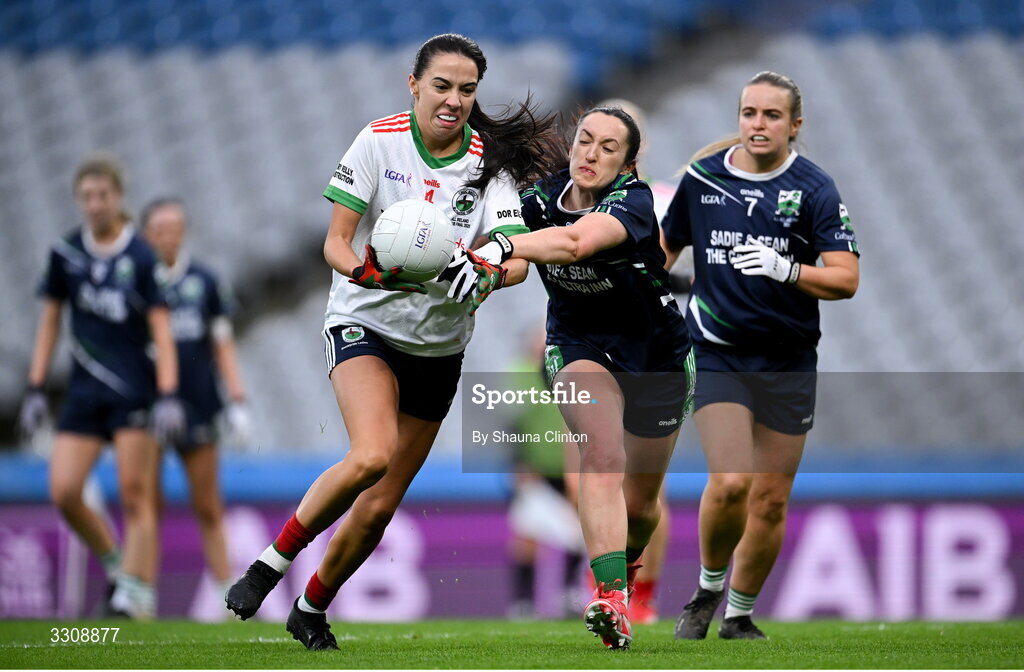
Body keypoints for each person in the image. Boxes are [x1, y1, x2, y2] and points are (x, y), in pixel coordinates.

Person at [224, 33, 556, 650]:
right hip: (365, 321)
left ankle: (310, 608)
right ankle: (269, 564)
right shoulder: (378, 141)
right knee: (371, 453)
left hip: (438, 346)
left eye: (466, 89)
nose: (454, 99)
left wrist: (483, 269)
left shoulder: (490, 166)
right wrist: (363, 272)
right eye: (441, 86)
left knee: (377, 507)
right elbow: (335, 243)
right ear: (413, 85)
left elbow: (517, 261)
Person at [467, 105, 694, 649]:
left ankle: (629, 572)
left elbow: (573, 244)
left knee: (640, 506)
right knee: (601, 453)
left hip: (655, 356)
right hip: (577, 344)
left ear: (628, 164)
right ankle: (610, 597)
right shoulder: (539, 200)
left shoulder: (634, 203)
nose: (590, 154)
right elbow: (497, 235)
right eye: (585, 140)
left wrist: (504, 245)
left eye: (607, 148)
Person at [660, 71, 860, 640]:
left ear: (795, 125)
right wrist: (653, 280)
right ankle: (706, 589)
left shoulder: (814, 188)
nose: (758, 124)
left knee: (771, 501)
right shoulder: (703, 179)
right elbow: (662, 249)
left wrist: (788, 269)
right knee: (730, 482)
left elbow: (846, 279)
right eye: (749, 113)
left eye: (772, 115)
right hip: (718, 353)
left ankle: (740, 616)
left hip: (789, 360)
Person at [17, 154, 185, 620]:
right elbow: (50, 323)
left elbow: (162, 331)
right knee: (65, 490)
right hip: (85, 394)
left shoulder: (141, 257)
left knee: (136, 494)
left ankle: (135, 597)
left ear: (118, 197)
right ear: (79, 200)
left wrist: (169, 395)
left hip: (135, 393)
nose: (95, 204)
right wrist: (34, 386)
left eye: (103, 195)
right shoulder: (66, 254)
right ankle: (117, 565)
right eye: (87, 197)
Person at [142, 197, 251, 606]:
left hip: (201, 401)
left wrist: (237, 400)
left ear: (183, 230)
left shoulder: (204, 280)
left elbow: (222, 344)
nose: (166, 235)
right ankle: (143, 592)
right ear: (147, 234)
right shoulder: (137, 281)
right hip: (147, 404)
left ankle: (227, 591)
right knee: (145, 506)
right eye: (158, 228)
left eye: (173, 226)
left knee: (207, 504)